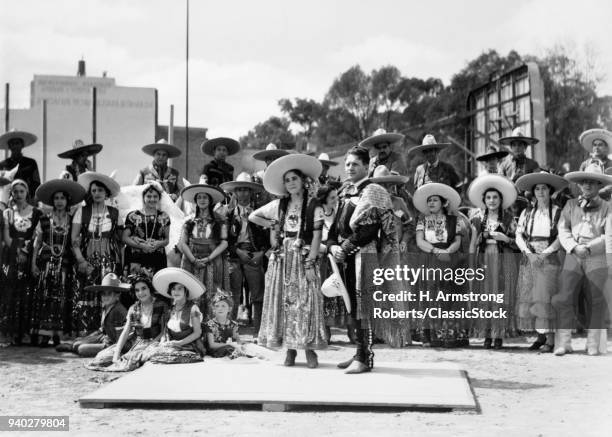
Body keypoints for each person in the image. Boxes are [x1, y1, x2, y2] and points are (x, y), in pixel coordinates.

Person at [328, 146, 408, 374]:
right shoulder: (344, 192)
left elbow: (370, 230)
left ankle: (365, 357)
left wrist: (344, 247)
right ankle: (358, 352)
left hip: (365, 255)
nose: (349, 168)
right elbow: (335, 225)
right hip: (344, 257)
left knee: (364, 306)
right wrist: (332, 245)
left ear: (366, 166)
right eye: (347, 164)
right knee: (351, 305)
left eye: (354, 164)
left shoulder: (373, 190)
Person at [249, 153, 327, 368]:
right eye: (287, 180)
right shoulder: (279, 205)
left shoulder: (314, 205)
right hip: (282, 259)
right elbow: (253, 216)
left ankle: (310, 350)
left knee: (307, 303)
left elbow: (317, 236)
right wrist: (274, 226)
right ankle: (290, 350)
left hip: (304, 258)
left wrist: (311, 262)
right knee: (285, 303)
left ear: (303, 180)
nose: (291, 183)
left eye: (294, 178)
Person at [552, 164, 612, 356]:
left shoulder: (607, 207)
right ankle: (564, 343)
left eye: (592, 182)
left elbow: (608, 235)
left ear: (599, 185)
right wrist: (573, 246)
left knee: (596, 299)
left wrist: (590, 247)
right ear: (579, 185)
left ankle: (593, 344)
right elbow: (563, 228)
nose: (587, 185)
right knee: (565, 297)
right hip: (574, 254)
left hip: (596, 256)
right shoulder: (570, 205)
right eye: (584, 182)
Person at [514, 172, 567, 352]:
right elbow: (519, 235)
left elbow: (561, 237)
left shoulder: (558, 212)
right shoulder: (527, 212)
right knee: (531, 296)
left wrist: (545, 253)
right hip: (530, 256)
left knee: (546, 297)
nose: (540, 192)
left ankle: (551, 340)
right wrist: (528, 253)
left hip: (549, 256)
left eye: (544, 188)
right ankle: (540, 336)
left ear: (550, 191)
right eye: (537, 188)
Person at [31, 179, 86, 346]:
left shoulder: (73, 220)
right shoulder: (44, 219)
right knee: (45, 297)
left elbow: (76, 242)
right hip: (46, 263)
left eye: (63, 198)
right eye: (56, 198)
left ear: (67, 201)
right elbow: (37, 243)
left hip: (65, 264)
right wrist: (33, 263)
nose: (60, 201)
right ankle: (43, 334)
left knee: (62, 298)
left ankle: (58, 334)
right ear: (52, 201)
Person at [468, 174, 519, 349]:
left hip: (502, 260)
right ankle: (486, 335)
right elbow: (473, 242)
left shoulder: (509, 219)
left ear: (500, 199)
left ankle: (498, 335)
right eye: (488, 197)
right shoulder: (477, 219)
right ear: (484, 200)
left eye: (495, 197)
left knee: (500, 298)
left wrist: (505, 238)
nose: (492, 200)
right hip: (484, 259)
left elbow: (517, 242)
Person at [413, 182, 465, 347]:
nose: (431, 203)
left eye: (435, 200)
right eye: (429, 201)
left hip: (449, 260)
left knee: (448, 297)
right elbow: (420, 241)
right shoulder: (423, 219)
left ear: (443, 203)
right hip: (429, 259)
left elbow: (457, 240)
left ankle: (448, 336)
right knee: (430, 297)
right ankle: (431, 336)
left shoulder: (453, 220)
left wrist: (448, 251)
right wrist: (436, 251)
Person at [72, 171, 123, 335]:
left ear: (106, 193)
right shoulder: (82, 211)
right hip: (88, 259)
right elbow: (74, 239)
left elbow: (121, 241)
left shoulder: (115, 212)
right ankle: (86, 332)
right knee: (88, 293)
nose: (96, 193)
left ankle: (107, 332)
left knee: (108, 293)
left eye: (100, 190)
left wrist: (121, 263)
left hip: (110, 259)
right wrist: (80, 260)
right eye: (93, 191)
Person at [86, 274, 168, 371]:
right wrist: (116, 353)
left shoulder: (161, 305)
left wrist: (150, 345)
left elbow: (164, 331)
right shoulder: (133, 308)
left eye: (143, 288)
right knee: (100, 358)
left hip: (155, 344)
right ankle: (125, 356)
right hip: (135, 344)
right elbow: (125, 332)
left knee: (133, 360)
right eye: (137, 290)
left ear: (150, 289)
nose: (141, 293)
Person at [220, 172, 269, 328]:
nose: (243, 193)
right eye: (240, 190)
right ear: (235, 193)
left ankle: (258, 328)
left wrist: (261, 253)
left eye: (246, 190)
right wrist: (237, 251)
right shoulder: (227, 213)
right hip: (234, 254)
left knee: (257, 293)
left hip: (254, 253)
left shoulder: (261, 212)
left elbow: (268, 235)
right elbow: (224, 238)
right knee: (233, 293)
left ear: (251, 192)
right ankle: (231, 328)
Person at [0, 179, 43, 345]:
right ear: (11, 193)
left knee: (28, 293)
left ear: (27, 193)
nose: (18, 194)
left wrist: (26, 252)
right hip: (11, 257)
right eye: (15, 191)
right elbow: (6, 237)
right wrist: (17, 251)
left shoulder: (37, 213)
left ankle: (26, 333)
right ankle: (10, 334)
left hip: (30, 256)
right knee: (10, 294)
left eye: (21, 191)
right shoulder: (8, 213)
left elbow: (36, 236)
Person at [179, 182, 229, 316]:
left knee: (212, 290)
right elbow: (183, 243)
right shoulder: (188, 220)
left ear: (210, 200)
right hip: (192, 259)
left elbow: (224, 243)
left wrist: (208, 259)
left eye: (205, 197)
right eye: (199, 197)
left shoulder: (220, 220)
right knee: (191, 290)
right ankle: (193, 324)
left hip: (212, 258)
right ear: (195, 200)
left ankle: (211, 326)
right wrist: (194, 260)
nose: (202, 200)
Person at [56, 273, 129, 357]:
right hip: (104, 338)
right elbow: (102, 330)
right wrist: (86, 338)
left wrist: (113, 351)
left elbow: (120, 339)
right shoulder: (107, 306)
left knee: (81, 349)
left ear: (117, 295)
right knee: (77, 342)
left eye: (109, 293)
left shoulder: (118, 311)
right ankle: (73, 346)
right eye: (103, 294)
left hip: (114, 344)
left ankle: (73, 348)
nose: (105, 297)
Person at [147, 267, 205, 364]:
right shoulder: (170, 309)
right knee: (150, 352)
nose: (176, 292)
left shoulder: (193, 308)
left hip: (189, 345)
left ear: (185, 291)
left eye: (179, 288)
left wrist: (179, 343)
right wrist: (156, 343)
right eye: (173, 289)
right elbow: (165, 332)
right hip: (173, 344)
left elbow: (197, 333)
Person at [122, 181, 170, 277]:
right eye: (148, 196)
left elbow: (166, 240)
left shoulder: (164, 216)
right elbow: (125, 238)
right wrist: (142, 246)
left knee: (156, 288)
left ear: (159, 198)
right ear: (143, 198)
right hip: (136, 259)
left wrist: (158, 244)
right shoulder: (133, 215)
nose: (152, 199)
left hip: (157, 259)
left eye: (155, 196)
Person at [0, 129, 41, 200]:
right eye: (12, 144)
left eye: (17, 143)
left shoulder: (31, 163)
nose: (15, 146)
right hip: (6, 200)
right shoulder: (3, 165)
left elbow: (36, 183)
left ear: (22, 145)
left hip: (27, 200)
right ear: (9, 146)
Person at [204, 290, 243, 358]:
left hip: (230, 348)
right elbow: (212, 345)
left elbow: (238, 340)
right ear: (213, 308)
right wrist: (228, 344)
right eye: (217, 306)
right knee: (229, 350)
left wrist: (239, 345)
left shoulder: (233, 325)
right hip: (216, 351)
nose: (220, 308)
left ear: (229, 309)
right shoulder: (210, 324)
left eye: (223, 306)